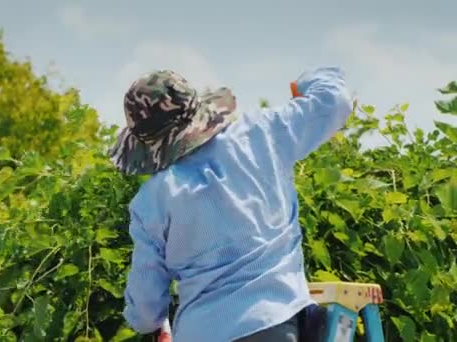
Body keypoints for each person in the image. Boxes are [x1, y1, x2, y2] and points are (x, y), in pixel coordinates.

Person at [109, 66, 353, 341]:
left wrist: (159, 326)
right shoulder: (261, 135)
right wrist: (307, 81)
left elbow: (144, 312)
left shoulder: (151, 200)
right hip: (274, 323)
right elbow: (335, 100)